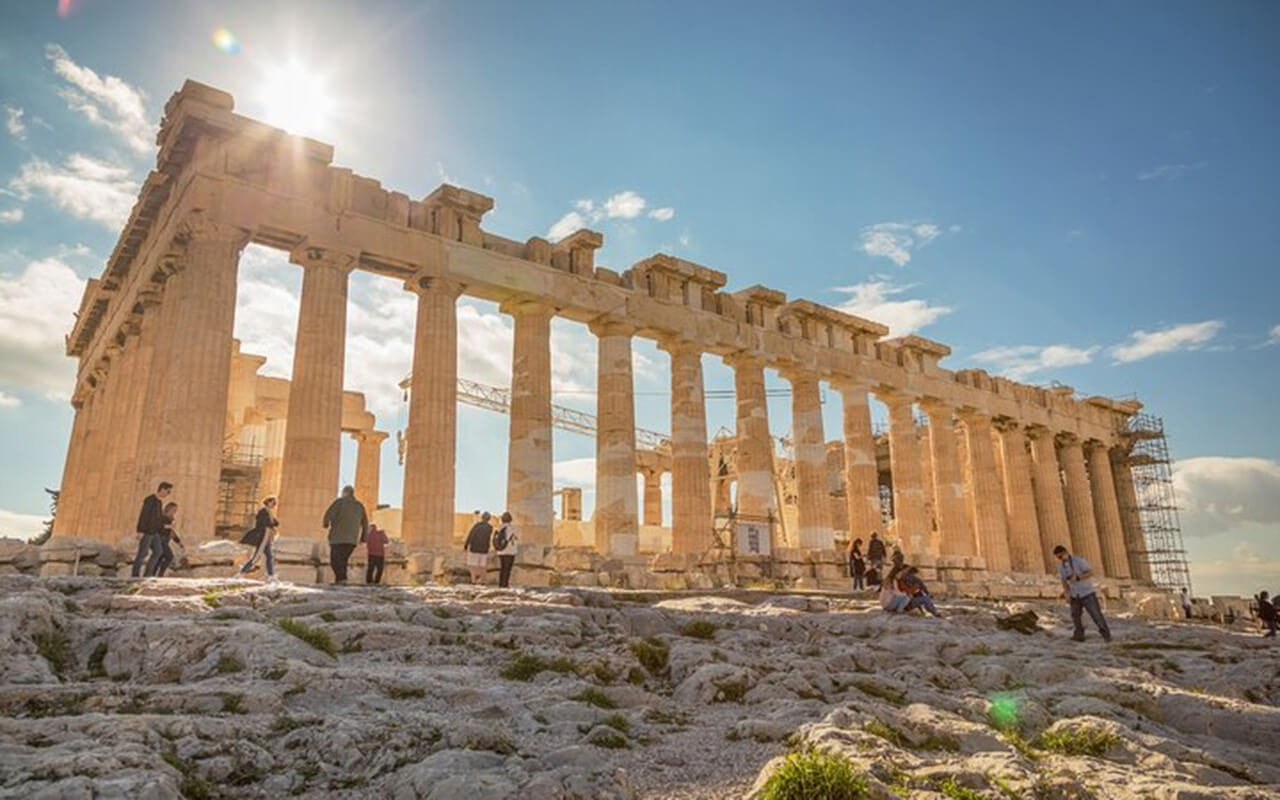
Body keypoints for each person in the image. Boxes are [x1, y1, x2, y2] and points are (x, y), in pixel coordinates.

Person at [1054, 544, 1112, 642]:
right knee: (1075, 616)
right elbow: (1063, 580)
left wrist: (1078, 577)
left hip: (1087, 592)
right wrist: (1066, 593)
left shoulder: (1079, 561)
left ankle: (1106, 635)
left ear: (1066, 552)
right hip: (1074, 594)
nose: (1060, 559)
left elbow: (1090, 573)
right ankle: (1079, 635)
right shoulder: (1061, 566)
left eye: (1061, 556)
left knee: (1096, 615)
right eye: (1058, 557)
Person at [323, 486, 368, 585]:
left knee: (335, 560)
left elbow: (328, 514)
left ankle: (342, 579)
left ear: (345, 492)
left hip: (337, 538)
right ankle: (341, 580)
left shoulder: (339, 502)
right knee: (343, 560)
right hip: (352, 540)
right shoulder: (360, 506)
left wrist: (325, 523)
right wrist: (363, 538)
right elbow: (365, 523)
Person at [131, 481, 172, 578]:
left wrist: (165, 526)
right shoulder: (150, 500)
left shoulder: (159, 502)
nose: (168, 494)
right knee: (142, 553)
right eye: (168, 491)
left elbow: (157, 519)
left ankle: (148, 574)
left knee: (158, 552)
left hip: (155, 533)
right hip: (147, 532)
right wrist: (140, 530)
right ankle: (135, 575)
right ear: (162, 489)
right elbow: (144, 515)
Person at [237, 497, 280, 583]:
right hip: (262, 537)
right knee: (256, 558)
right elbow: (266, 523)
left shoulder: (269, 512)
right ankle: (241, 573)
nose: (274, 505)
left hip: (267, 537)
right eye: (273, 503)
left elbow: (275, 523)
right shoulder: (263, 512)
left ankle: (271, 576)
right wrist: (272, 524)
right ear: (268, 502)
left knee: (269, 556)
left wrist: (273, 523)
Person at [145, 502, 182, 577]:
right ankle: (159, 574)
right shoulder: (161, 517)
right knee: (169, 556)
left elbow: (171, 532)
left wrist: (178, 541)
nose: (175, 513)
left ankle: (153, 574)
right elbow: (158, 526)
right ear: (169, 509)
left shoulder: (170, 519)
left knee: (160, 558)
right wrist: (169, 526)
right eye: (174, 510)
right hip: (160, 539)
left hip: (165, 540)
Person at [463, 512, 494, 584]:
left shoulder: (477, 526)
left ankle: (473, 580)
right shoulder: (490, 527)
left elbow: (471, 535)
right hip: (484, 549)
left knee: (472, 565)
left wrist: (466, 545)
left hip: (474, 548)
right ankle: (483, 580)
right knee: (482, 565)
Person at [493, 512, 518, 588]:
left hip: (500, 550)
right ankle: (505, 584)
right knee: (507, 569)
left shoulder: (498, 527)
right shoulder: (511, 528)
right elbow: (513, 538)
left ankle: (501, 584)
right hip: (509, 551)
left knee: (502, 568)